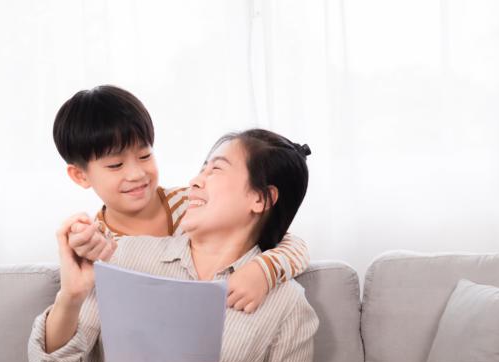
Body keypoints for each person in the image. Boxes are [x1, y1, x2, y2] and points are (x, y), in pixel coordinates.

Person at [28, 129, 319, 362]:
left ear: (261, 199)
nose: (194, 181)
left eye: (215, 169)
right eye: (201, 168)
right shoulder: (122, 255)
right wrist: (71, 297)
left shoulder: (288, 306)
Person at [53, 86, 310, 313]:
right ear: (80, 175)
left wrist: (263, 271)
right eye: (116, 165)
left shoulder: (192, 205)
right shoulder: (100, 243)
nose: (137, 173)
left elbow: (288, 240)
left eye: (144, 156)